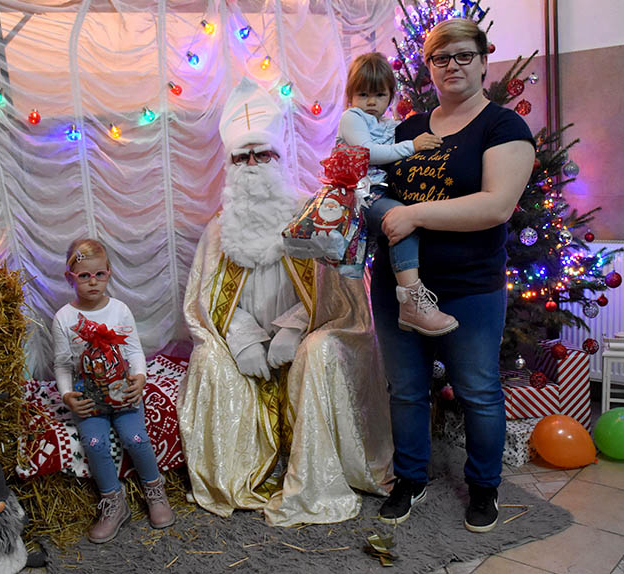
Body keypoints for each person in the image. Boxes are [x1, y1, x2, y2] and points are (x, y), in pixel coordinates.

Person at [178, 77, 393, 527]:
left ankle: (319, 469)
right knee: (209, 364)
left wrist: (294, 330)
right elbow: (205, 299)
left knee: (321, 352)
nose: (254, 164)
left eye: (264, 154)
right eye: (243, 156)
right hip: (248, 352)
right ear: (232, 163)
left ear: (280, 157)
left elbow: (337, 293)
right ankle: (238, 476)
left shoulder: (312, 213)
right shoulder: (219, 230)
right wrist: (243, 341)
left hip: (303, 338)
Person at [369, 18, 535, 533]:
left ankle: (484, 488)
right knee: (406, 388)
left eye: (464, 56)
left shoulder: (503, 126)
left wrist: (415, 214)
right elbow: (374, 191)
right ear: (429, 68)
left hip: (469, 286)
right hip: (398, 286)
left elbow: (496, 205)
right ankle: (410, 479)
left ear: (484, 61)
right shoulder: (406, 130)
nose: (453, 66)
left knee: (478, 390)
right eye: (441, 58)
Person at [52, 238, 175, 543]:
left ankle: (154, 489)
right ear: (70, 278)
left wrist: (140, 378)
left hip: (122, 391)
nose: (92, 282)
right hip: (88, 394)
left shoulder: (119, 310)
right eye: (84, 276)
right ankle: (113, 502)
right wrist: (68, 396)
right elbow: (63, 364)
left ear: (109, 273)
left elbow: (133, 351)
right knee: (94, 442)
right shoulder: (64, 318)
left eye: (99, 275)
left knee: (135, 437)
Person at [337, 52, 457, 336]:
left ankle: (411, 298)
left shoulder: (386, 124)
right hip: (359, 196)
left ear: (390, 96)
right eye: (362, 94)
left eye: (379, 95)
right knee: (403, 221)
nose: (370, 102)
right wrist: (412, 146)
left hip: (378, 194)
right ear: (350, 96)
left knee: (406, 220)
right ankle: (412, 298)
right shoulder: (352, 118)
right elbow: (369, 153)